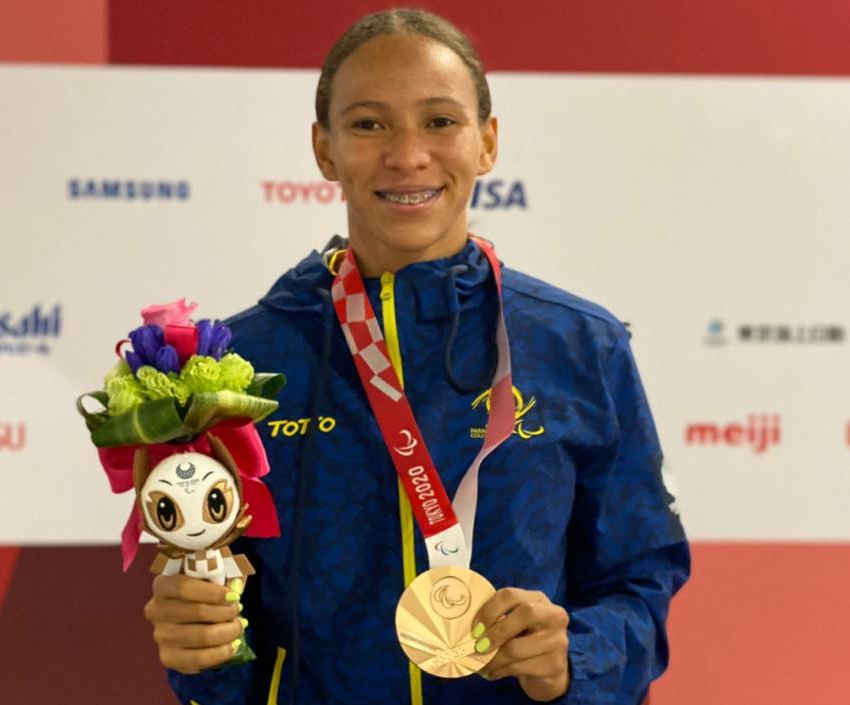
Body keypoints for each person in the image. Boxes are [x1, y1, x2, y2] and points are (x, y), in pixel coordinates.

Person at [143, 9, 689, 704]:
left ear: (487, 142)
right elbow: (221, 617)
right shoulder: (244, 364)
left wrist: (573, 659)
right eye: (370, 124)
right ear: (324, 149)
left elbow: (640, 578)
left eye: (440, 121)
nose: (407, 155)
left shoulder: (579, 344)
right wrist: (204, 651)